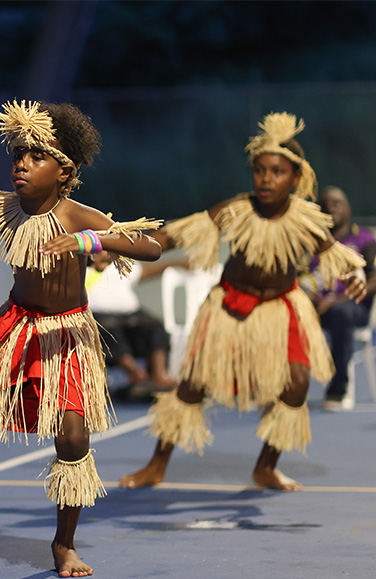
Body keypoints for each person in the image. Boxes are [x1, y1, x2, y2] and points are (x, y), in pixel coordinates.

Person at [0, 100, 162, 577]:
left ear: (64, 170)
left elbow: (150, 245)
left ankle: (63, 544)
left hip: (67, 334)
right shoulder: (3, 209)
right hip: (14, 326)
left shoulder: (79, 216)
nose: (21, 164)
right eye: (18, 154)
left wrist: (91, 241)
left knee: (72, 438)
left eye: (35, 155)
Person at [119, 112, 367, 493]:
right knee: (192, 388)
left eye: (277, 172)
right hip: (229, 307)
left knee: (297, 384)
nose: (266, 179)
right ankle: (156, 465)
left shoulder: (306, 220)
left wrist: (358, 273)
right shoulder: (236, 209)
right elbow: (170, 238)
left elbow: (340, 257)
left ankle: (265, 467)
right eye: (260, 170)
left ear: (296, 178)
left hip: (281, 310)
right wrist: (111, 244)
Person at [301, 186, 376, 410]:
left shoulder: (364, 239)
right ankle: (285, 384)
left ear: (348, 208)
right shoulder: (312, 244)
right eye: (325, 204)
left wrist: (337, 300)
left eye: (336, 202)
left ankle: (338, 386)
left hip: (352, 309)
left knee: (340, 313)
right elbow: (298, 276)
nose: (330, 206)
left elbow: (374, 278)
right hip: (315, 310)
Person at [87, 252, 186, 397]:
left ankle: (159, 376)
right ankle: (137, 374)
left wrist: (175, 263)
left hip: (131, 314)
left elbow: (146, 271)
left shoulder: (121, 264)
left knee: (154, 327)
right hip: (98, 315)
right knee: (109, 332)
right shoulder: (82, 268)